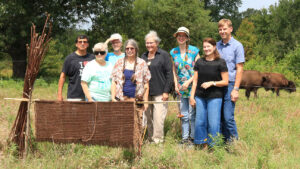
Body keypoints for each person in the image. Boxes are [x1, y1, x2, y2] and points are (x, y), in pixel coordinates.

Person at [190, 38, 229, 148]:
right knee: (200, 122)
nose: (206, 49)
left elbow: (225, 81)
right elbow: (195, 81)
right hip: (200, 96)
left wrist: (212, 83)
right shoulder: (199, 62)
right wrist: (192, 97)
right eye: (205, 47)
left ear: (214, 47)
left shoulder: (220, 62)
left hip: (215, 97)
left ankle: (214, 146)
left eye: (208, 46)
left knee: (213, 123)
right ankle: (203, 144)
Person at [141, 31, 173, 144]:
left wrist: (166, 91)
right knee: (148, 117)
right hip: (146, 93)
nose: (149, 45)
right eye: (147, 43)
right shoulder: (143, 56)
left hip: (160, 91)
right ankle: (150, 138)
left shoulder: (163, 55)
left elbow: (169, 74)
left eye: (151, 43)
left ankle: (158, 140)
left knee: (158, 118)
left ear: (157, 43)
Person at [216, 19, 245, 143]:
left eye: (225, 29)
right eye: (220, 29)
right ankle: (224, 143)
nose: (222, 31)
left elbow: (239, 68)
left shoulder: (237, 46)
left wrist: (236, 89)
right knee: (220, 116)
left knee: (228, 117)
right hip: (217, 84)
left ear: (231, 29)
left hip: (230, 84)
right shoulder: (216, 45)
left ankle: (235, 143)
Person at [170, 26, 200, 144]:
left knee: (192, 114)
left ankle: (192, 138)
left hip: (192, 86)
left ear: (187, 38)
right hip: (181, 88)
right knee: (184, 114)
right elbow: (173, 70)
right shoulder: (173, 52)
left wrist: (189, 82)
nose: (181, 38)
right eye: (179, 35)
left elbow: (198, 69)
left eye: (183, 35)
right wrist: (176, 84)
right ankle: (184, 138)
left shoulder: (194, 51)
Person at [111, 39, 151, 105]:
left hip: (137, 101)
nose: (129, 50)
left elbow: (146, 84)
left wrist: (145, 102)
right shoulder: (119, 62)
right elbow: (113, 81)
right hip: (120, 99)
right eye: (127, 48)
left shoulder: (142, 63)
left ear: (136, 49)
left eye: (132, 48)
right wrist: (113, 97)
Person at [57, 35, 94, 101]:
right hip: (74, 96)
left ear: (88, 44)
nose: (82, 44)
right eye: (80, 42)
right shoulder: (70, 58)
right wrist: (59, 94)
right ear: (76, 44)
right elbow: (62, 76)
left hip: (91, 96)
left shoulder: (93, 58)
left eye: (85, 42)